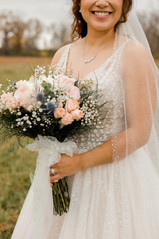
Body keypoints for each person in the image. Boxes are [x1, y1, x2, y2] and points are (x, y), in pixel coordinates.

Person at [11, 0, 159, 238]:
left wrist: (81, 162)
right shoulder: (61, 55)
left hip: (113, 182)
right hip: (64, 177)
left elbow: (140, 132)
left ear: (125, 5)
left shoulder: (133, 54)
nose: (102, 2)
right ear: (79, 4)